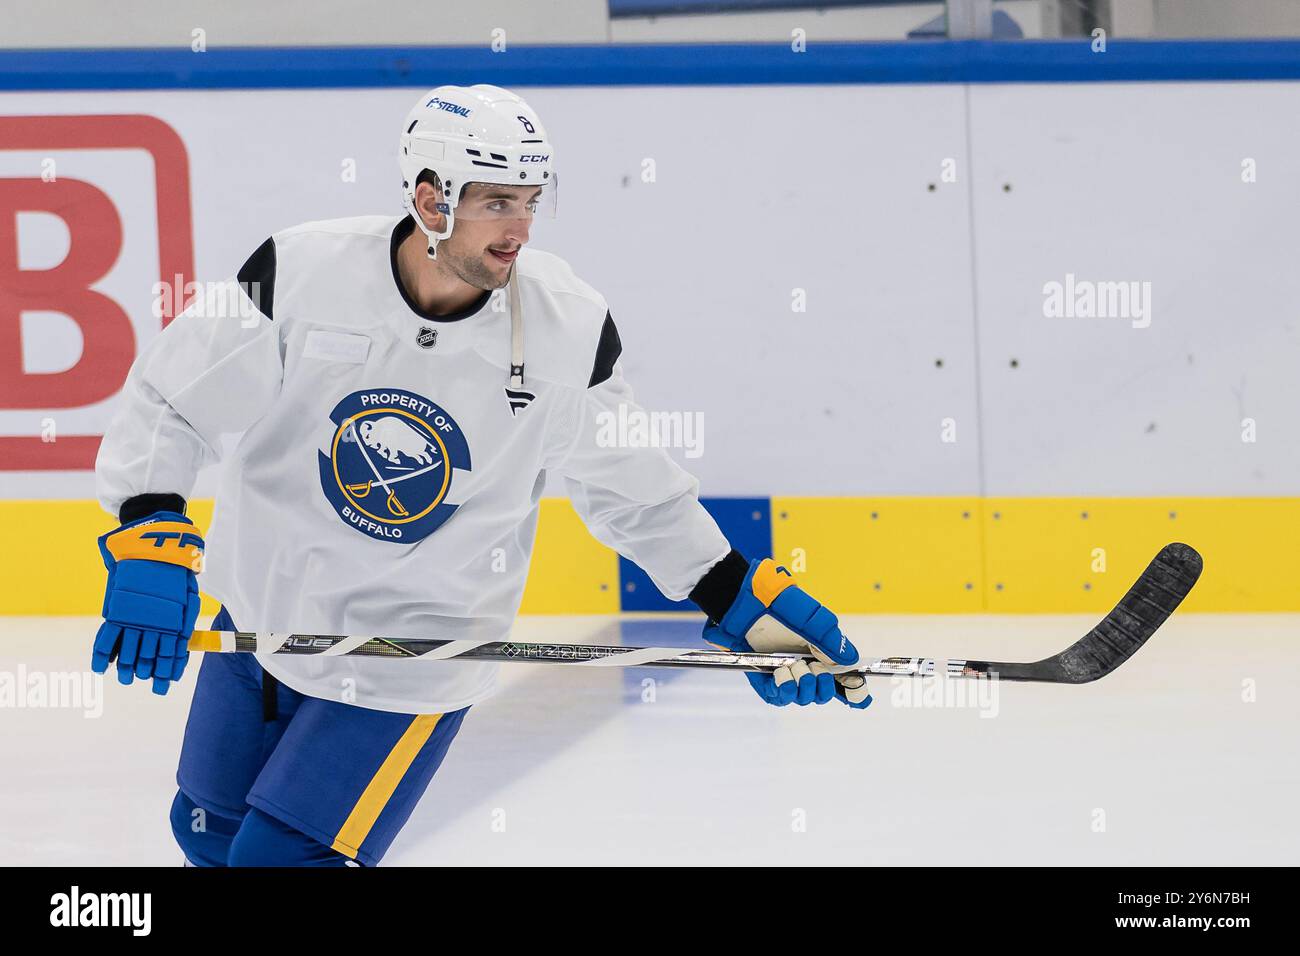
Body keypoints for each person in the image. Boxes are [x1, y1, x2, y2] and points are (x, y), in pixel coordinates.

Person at [92, 84, 872, 867]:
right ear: (431, 198)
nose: (520, 230)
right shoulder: (299, 272)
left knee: (281, 860)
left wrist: (738, 596)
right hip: (262, 624)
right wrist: (149, 528)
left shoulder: (567, 327)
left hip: (412, 659)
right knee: (207, 832)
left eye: (532, 202)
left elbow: (635, 490)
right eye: (498, 201)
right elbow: (172, 396)